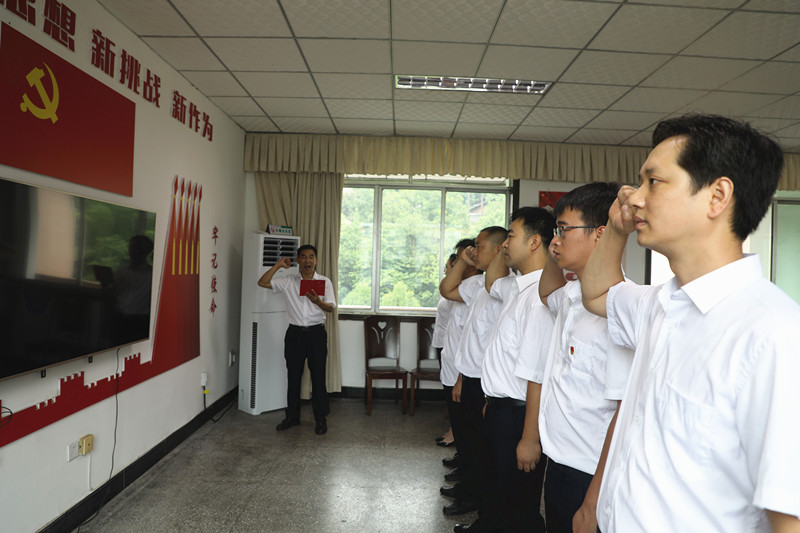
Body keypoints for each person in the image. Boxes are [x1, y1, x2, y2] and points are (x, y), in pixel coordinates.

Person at [581, 114, 800, 532]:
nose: (635, 198)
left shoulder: (774, 335)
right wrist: (615, 228)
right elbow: (595, 294)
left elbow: (789, 518)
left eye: (654, 182)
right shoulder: (661, 304)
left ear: (717, 196)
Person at [536, 183, 633, 533]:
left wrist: (592, 504)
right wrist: (555, 252)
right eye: (555, 230)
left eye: (564, 230)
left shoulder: (621, 310)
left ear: (600, 234)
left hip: (590, 473)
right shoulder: (572, 294)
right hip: (559, 459)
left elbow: (623, 413)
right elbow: (546, 292)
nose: (556, 239)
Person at [470, 207, 556, 533]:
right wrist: (492, 402)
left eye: (511, 236)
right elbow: (492, 281)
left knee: (519, 508)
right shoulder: (516, 287)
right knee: (499, 496)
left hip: (520, 416)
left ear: (534, 242)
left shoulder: (539, 297)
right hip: (502, 409)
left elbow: (537, 374)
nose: (505, 244)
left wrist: (530, 438)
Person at [439, 226, 509, 529]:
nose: (474, 251)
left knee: (480, 449)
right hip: (468, 377)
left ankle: (478, 501)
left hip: (485, 384)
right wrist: (464, 263)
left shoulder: (507, 289)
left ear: (499, 249)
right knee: (468, 443)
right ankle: (471, 493)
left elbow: (490, 345)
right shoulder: (477, 284)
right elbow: (447, 290)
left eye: (479, 247)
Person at [257, 244, 336, 436]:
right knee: (293, 376)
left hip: (316, 334)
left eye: (311, 257)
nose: (308, 260)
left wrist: (318, 302)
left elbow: (331, 308)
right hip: (295, 335)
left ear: (316, 260)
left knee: (318, 377)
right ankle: (292, 417)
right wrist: (278, 265)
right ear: (298, 260)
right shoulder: (289, 281)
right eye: (303, 257)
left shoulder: (324, 282)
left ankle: (320, 419)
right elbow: (262, 282)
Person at [438, 241, 481, 502]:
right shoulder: (466, 286)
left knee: (468, 436)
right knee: (462, 433)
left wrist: (460, 378)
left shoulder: (478, 285)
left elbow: (474, 341)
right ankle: (464, 475)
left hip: (462, 375)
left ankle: (469, 488)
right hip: (453, 370)